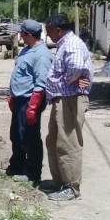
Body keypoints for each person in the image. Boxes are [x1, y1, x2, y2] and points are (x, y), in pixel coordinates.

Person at [43, 13, 93, 201]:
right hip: (62, 98)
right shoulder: (65, 43)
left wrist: (64, 82)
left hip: (70, 99)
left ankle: (71, 187)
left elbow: (77, 67)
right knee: (54, 140)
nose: (48, 36)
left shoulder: (72, 43)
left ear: (58, 30)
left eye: (49, 32)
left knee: (68, 143)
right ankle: (59, 181)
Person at [7, 20, 52, 184]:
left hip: (30, 100)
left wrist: (32, 107)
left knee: (30, 137)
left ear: (29, 34)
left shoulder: (41, 55)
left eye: (22, 33)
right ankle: (17, 165)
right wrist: (12, 95)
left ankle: (33, 172)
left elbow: (41, 84)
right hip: (20, 100)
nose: (20, 35)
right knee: (16, 135)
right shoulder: (27, 50)